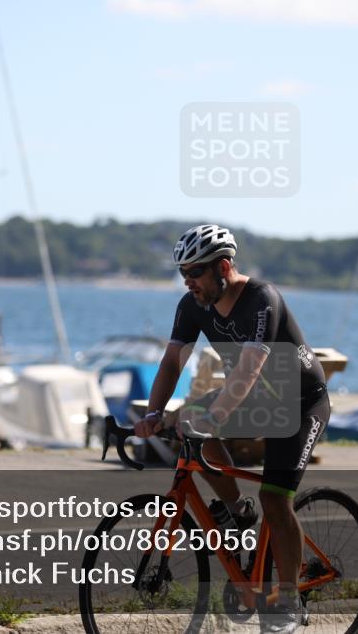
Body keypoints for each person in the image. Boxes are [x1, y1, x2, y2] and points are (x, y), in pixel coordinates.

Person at [135, 224, 330, 634]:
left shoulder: (262, 300)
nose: (188, 282)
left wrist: (213, 421)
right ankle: (236, 513)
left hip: (299, 404)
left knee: (276, 499)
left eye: (195, 272)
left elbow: (249, 369)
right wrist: (154, 414)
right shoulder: (193, 304)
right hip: (254, 398)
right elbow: (173, 362)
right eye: (182, 274)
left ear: (224, 266)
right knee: (188, 425)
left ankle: (288, 599)